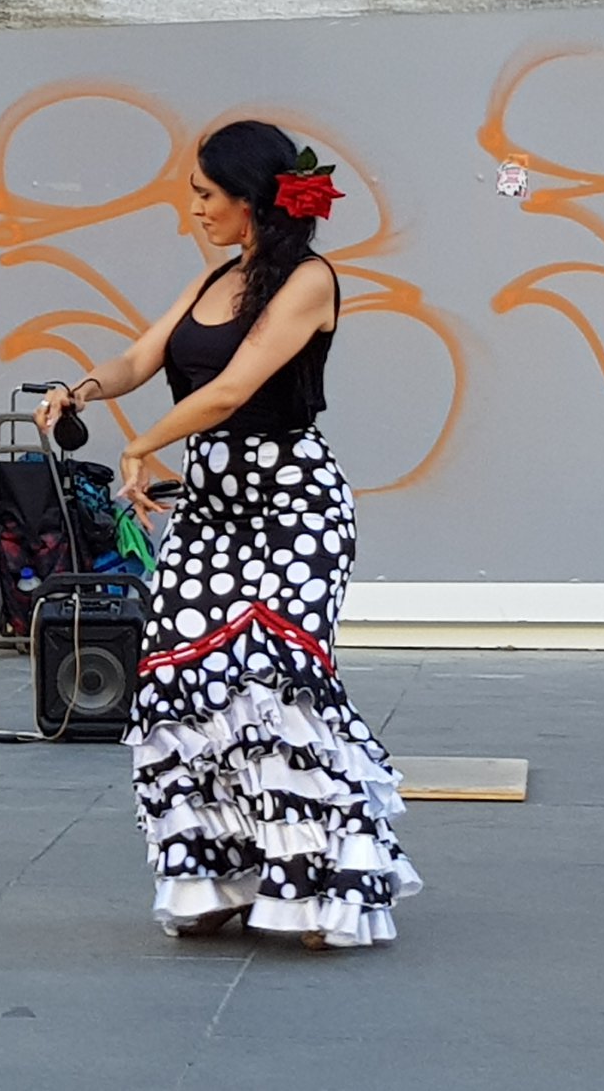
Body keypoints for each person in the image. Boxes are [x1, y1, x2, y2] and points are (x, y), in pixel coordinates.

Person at [35, 120, 420, 949]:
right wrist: (82, 389)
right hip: (211, 514)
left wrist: (140, 444)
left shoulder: (310, 282)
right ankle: (218, 881)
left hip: (295, 511)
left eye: (206, 195)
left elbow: (231, 391)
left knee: (275, 687)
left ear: (252, 200)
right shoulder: (215, 277)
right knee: (186, 687)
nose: (196, 209)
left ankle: (317, 892)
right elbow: (142, 358)